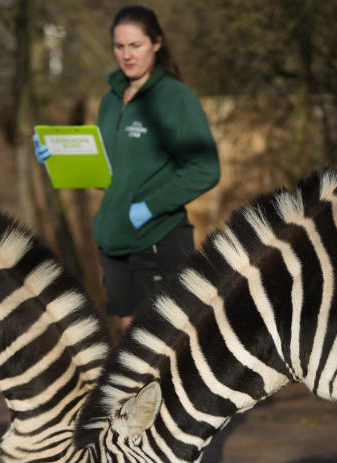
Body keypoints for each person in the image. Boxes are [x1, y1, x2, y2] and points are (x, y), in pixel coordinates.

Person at [35, 5, 220, 331]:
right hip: (114, 242)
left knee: (162, 340)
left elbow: (205, 169)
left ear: (157, 43)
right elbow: (110, 175)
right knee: (129, 339)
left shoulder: (175, 99)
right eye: (119, 46)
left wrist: (150, 207)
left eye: (136, 45)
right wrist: (59, 156)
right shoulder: (110, 101)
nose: (127, 55)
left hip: (157, 239)